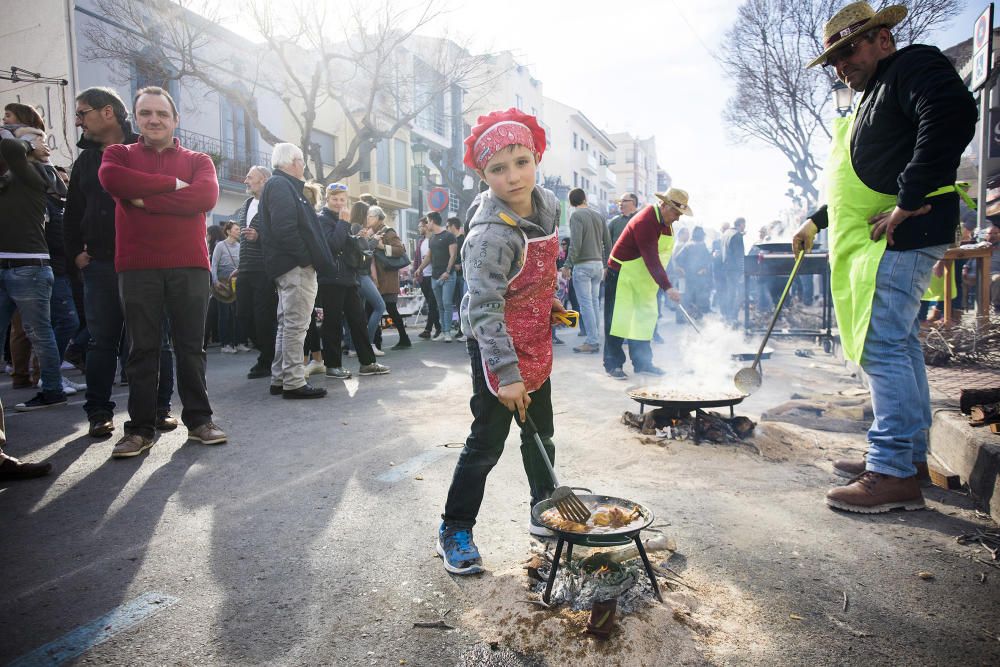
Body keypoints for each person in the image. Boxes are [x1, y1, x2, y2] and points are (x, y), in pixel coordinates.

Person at [794, 1, 977, 512]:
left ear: (882, 40)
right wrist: (815, 220)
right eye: (833, 58)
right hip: (882, 242)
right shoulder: (872, 96)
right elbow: (855, 182)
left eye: (848, 49)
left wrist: (909, 197)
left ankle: (892, 471)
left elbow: (952, 113)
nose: (841, 65)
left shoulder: (913, 65)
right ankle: (909, 457)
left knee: (883, 348)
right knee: (899, 346)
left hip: (901, 236)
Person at [438, 108, 566, 575]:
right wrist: (507, 377)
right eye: (498, 168)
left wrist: (546, 302)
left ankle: (545, 507)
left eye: (521, 161)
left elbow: (539, 268)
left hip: (535, 336)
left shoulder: (549, 205)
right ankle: (455, 527)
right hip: (494, 346)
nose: (513, 177)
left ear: (536, 158)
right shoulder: (489, 235)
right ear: (482, 175)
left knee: (541, 435)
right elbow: (483, 307)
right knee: (487, 443)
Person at [98, 86, 227, 456]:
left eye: (162, 114)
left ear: (175, 119)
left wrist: (143, 200)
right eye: (146, 113)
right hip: (138, 266)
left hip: (189, 264)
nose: (154, 119)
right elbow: (114, 181)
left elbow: (204, 197)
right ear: (136, 119)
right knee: (142, 349)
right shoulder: (118, 154)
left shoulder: (199, 160)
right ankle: (139, 429)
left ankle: (200, 421)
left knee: (191, 348)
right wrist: (172, 186)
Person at [65, 86, 177, 437]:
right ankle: (99, 412)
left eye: (83, 113)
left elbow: (170, 199)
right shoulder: (85, 161)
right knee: (102, 341)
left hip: (146, 261)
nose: (78, 120)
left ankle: (159, 408)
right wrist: (75, 256)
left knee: (154, 339)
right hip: (101, 265)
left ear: (107, 112)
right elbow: (73, 215)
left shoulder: (143, 150)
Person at [0, 113, 67, 412]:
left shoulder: (36, 172)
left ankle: (52, 389)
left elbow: (13, 150)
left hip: (30, 266)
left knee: (39, 332)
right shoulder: (10, 172)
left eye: (35, 137)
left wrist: (24, 143)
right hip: (8, 264)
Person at [258, 142, 336, 399]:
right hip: (294, 267)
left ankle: (281, 378)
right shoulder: (282, 185)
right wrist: (306, 259)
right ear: (293, 162)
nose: (304, 166)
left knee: (287, 324)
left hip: (288, 266)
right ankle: (292, 381)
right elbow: (286, 229)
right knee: (295, 325)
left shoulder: (279, 185)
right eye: (302, 161)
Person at [603, 188, 689, 380]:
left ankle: (643, 363)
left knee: (643, 320)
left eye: (680, 214)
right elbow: (651, 257)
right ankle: (613, 364)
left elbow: (662, 257)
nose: (677, 218)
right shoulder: (646, 220)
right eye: (676, 213)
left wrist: (667, 281)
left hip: (644, 279)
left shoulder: (666, 223)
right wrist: (667, 287)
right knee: (618, 320)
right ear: (664, 205)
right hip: (622, 274)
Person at [316, 188, 390, 378]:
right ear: (327, 199)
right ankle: (332, 366)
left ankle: (367, 362)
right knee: (332, 323)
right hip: (331, 278)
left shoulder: (343, 219)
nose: (339, 203)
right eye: (335, 199)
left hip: (348, 277)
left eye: (342, 199)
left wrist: (360, 239)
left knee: (358, 320)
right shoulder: (322, 219)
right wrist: (343, 222)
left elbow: (346, 246)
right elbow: (333, 245)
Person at [235, 165, 277, 379]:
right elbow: (243, 241)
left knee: (263, 317)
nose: (246, 181)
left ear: (264, 180)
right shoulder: (246, 204)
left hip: (264, 270)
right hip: (245, 270)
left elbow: (279, 236)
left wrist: (259, 237)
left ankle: (267, 360)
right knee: (243, 316)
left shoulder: (272, 204)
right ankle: (269, 353)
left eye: (250, 177)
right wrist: (238, 267)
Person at [563, 188, 611, 354]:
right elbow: (608, 242)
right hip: (598, 265)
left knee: (586, 305)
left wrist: (567, 265)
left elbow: (575, 243)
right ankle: (595, 338)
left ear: (571, 202)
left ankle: (592, 341)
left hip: (583, 265)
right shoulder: (598, 215)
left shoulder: (576, 216)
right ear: (584, 198)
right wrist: (606, 264)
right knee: (594, 303)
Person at [367, 203, 413, 350]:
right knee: (381, 308)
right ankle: (380, 341)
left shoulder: (388, 231)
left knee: (389, 308)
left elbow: (400, 250)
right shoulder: (372, 231)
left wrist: (381, 247)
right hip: (379, 277)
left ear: (379, 218)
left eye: (370, 216)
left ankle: (401, 339)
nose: (367, 218)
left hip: (387, 278)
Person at [418, 211, 458, 342]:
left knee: (447, 304)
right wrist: (419, 268)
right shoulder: (432, 238)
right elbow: (429, 257)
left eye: (427, 221)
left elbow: (453, 255)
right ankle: (442, 330)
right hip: (435, 277)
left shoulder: (449, 236)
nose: (426, 224)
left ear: (432, 221)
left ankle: (447, 332)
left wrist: (447, 271)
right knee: (439, 305)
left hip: (448, 276)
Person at [212, 220, 243, 354]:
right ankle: (226, 344)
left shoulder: (240, 246)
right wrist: (215, 280)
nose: (239, 231)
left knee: (238, 314)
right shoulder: (220, 246)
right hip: (222, 283)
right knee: (224, 314)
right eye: (236, 229)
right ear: (228, 231)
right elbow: (214, 263)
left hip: (236, 282)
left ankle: (238, 342)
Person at [673, 226, 712, 318]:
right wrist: (704, 269)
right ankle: (696, 316)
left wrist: (682, 269)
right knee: (697, 297)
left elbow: (678, 259)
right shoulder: (701, 245)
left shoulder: (687, 245)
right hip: (698, 277)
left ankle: (686, 317)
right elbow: (708, 260)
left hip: (689, 277)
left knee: (688, 297)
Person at [413, 218, 441, 339]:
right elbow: (416, 259)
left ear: (426, 226)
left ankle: (429, 329)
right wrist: (416, 273)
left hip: (434, 276)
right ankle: (437, 328)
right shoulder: (420, 242)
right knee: (431, 304)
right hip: (423, 277)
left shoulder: (435, 240)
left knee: (432, 304)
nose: (419, 228)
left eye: (420, 226)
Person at [720, 217, 746, 324]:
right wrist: (742, 271)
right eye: (744, 225)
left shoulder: (726, 233)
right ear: (741, 224)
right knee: (740, 293)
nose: (745, 227)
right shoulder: (737, 235)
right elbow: (739, 256)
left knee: (730, 292)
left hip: (727, 268)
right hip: (735, 270)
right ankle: (733, 317)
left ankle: (727, 316)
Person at [447, 216, 467, 341]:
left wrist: (461, 265)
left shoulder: (462, 239)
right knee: (458, 303)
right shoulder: (454, 240)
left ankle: (463, 330)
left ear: (453, 226)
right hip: (456, 275)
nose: (447, 229)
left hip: (462, 276)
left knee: (462, 304)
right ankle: (461, 328)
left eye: (448, 226)